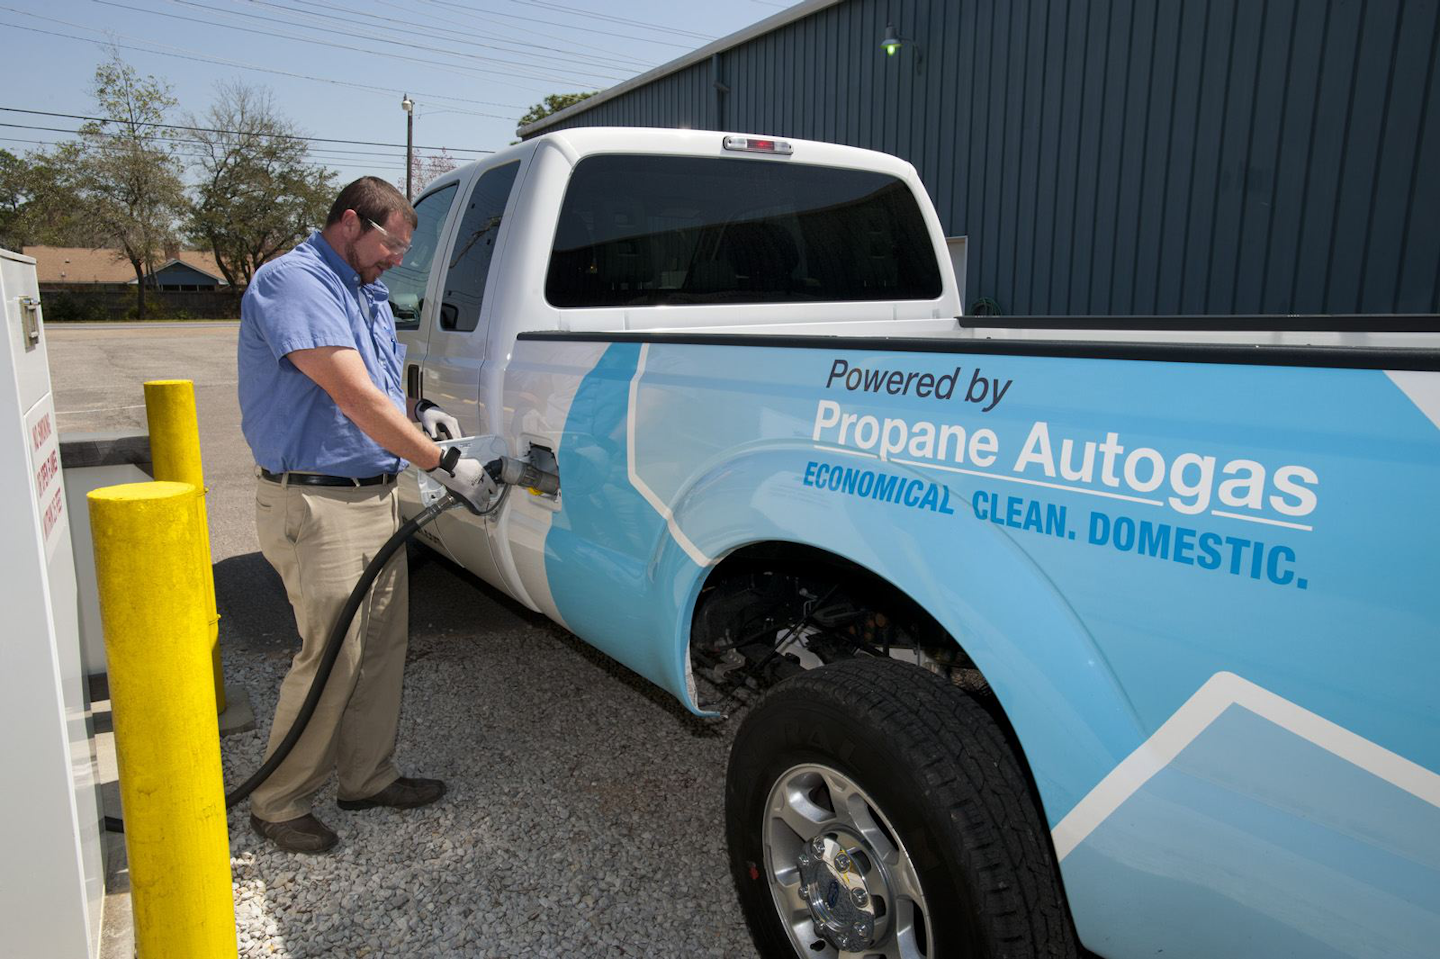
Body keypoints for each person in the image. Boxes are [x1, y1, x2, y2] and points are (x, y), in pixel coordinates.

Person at [237, 176, 493, 853]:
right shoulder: (295, 283)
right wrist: (442, 464)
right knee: (333, 653)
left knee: (379, 647)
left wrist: (420, 415)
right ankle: (278, 801)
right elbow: (351, 395)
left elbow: (379, 389)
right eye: (391, 245)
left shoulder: (363, 291)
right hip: (317, 499)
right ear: (350, 222)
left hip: (373, 492)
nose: (397, 260)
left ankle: (366, 777)